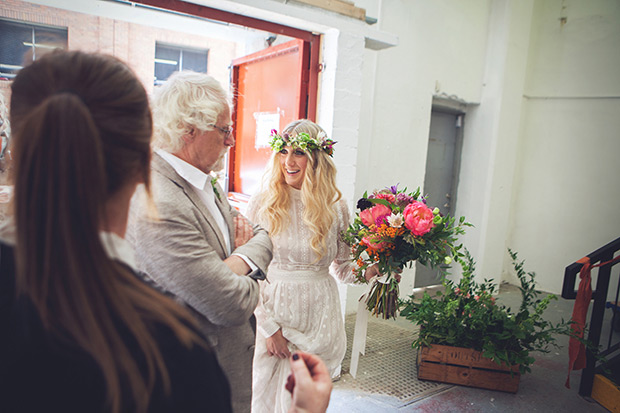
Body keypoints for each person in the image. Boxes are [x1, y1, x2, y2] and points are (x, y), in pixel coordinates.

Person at [0, 50, 232, 412]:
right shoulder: (172, 351)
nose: (229, 140)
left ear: (16, 152)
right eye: (224, 131)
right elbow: (225, 300)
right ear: (142, 166)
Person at [126, 71, 273, 413]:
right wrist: (251, 271)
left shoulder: (204, 180)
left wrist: (234, 262)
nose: (231, 141)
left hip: (223, 369)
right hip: (189, 383)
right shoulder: (159, 202)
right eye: (224, 130)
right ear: (188, 129)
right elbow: (230, 305)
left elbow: (263, 234)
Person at [247, 119, 378, 413]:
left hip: (320, 319)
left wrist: (371, 271)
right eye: (284, 152)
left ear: (318, 159)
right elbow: (250, 273)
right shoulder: (262, 203)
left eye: (299, 153)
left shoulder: (336, 206)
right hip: (276, 318)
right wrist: (269, 328)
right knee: (267, 401)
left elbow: (343, 266)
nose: (289, 162)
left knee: (306, 405)